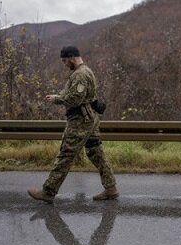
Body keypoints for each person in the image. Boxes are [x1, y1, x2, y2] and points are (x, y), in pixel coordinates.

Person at [27, 46, 118, 203]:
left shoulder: (80, 75)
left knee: (66, 154)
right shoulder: (85, 71)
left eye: (64, 61)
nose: (64, 64)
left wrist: (58, 99)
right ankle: (111, 189)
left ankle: (48, 192)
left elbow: (75, 99)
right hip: (89, 118)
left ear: (71, 58)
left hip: (80, 121)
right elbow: (75, 94)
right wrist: (59, 95)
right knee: (96, 153)